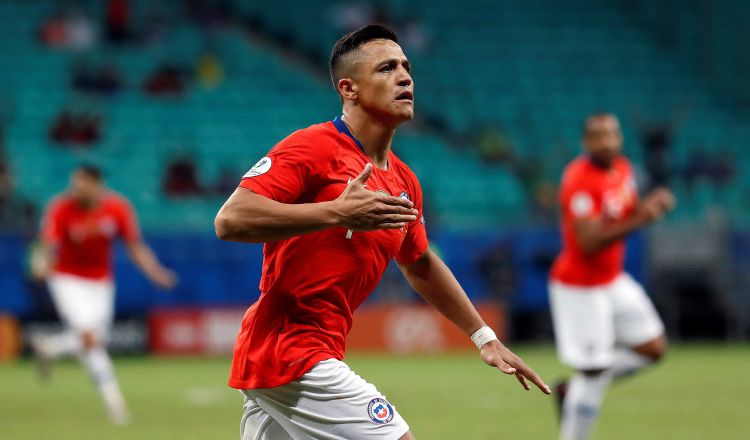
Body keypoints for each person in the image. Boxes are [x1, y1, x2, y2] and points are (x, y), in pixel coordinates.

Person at [214, 24, 550, 440]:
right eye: (387, 68)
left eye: (406, 67)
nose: (405, 77)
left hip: (297, 354)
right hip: (291, 348)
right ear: (349, 89)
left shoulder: (405, 181)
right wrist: (336, 213)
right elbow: (230, 220)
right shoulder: (313, 147)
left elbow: (420, 262)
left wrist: (483, 337)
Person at [549, 113, 675, 440]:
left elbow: (624, 212)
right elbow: (588, 241)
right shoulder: (579, 178)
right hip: (581, 286)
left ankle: (573, 388)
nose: (607, 142)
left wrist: (650, 205)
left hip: (612, 279)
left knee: (653, 347)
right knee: (594, 370)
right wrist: (642, 219)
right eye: (598, 136)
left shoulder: (623, 168)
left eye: (612, 135)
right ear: (586, 142)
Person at [30, 164, 177, 424]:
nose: (75, 190)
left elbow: (134, 245)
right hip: (67, 279)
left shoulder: (117, 208)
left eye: (81, 184)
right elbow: (48, 243)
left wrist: (155, 272)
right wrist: (41, 262)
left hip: (100, 283)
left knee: (96, 339)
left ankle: (49, 347)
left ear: (96, 184)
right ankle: (115, 403)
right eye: (73, 184)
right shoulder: (62, 207)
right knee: (89, 338)